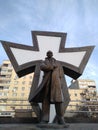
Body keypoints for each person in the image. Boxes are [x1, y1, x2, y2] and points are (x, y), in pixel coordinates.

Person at [39, 50, 65, 124]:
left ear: (52, 54)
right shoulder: (43, 62)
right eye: (48, 53)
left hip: (56, 83)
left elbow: (61, 74)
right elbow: (42, 67)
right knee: (45, 100)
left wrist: (61, 83)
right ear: (47, 54)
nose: (49, 54)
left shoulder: (58, 63)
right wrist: (51, 67)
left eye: (50, 53)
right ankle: (44, 119)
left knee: (58, 100)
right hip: (47, 82)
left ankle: (60, 119)